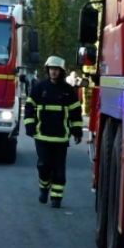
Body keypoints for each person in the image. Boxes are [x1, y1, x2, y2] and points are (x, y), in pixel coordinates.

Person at [23, 56, 83, 208]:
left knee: (59, 171)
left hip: (61, 138)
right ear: (47, 70)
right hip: (41, 136)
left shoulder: (68, 91)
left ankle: (56, 198)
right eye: (51, 69)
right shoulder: (39, 88)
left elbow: (76, 112)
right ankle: (44, 187)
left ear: (61, 71)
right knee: (44, 165)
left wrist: (77, 131)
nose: (53, 72)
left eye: (56, 69)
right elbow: (29, 107)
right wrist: (29, 125)